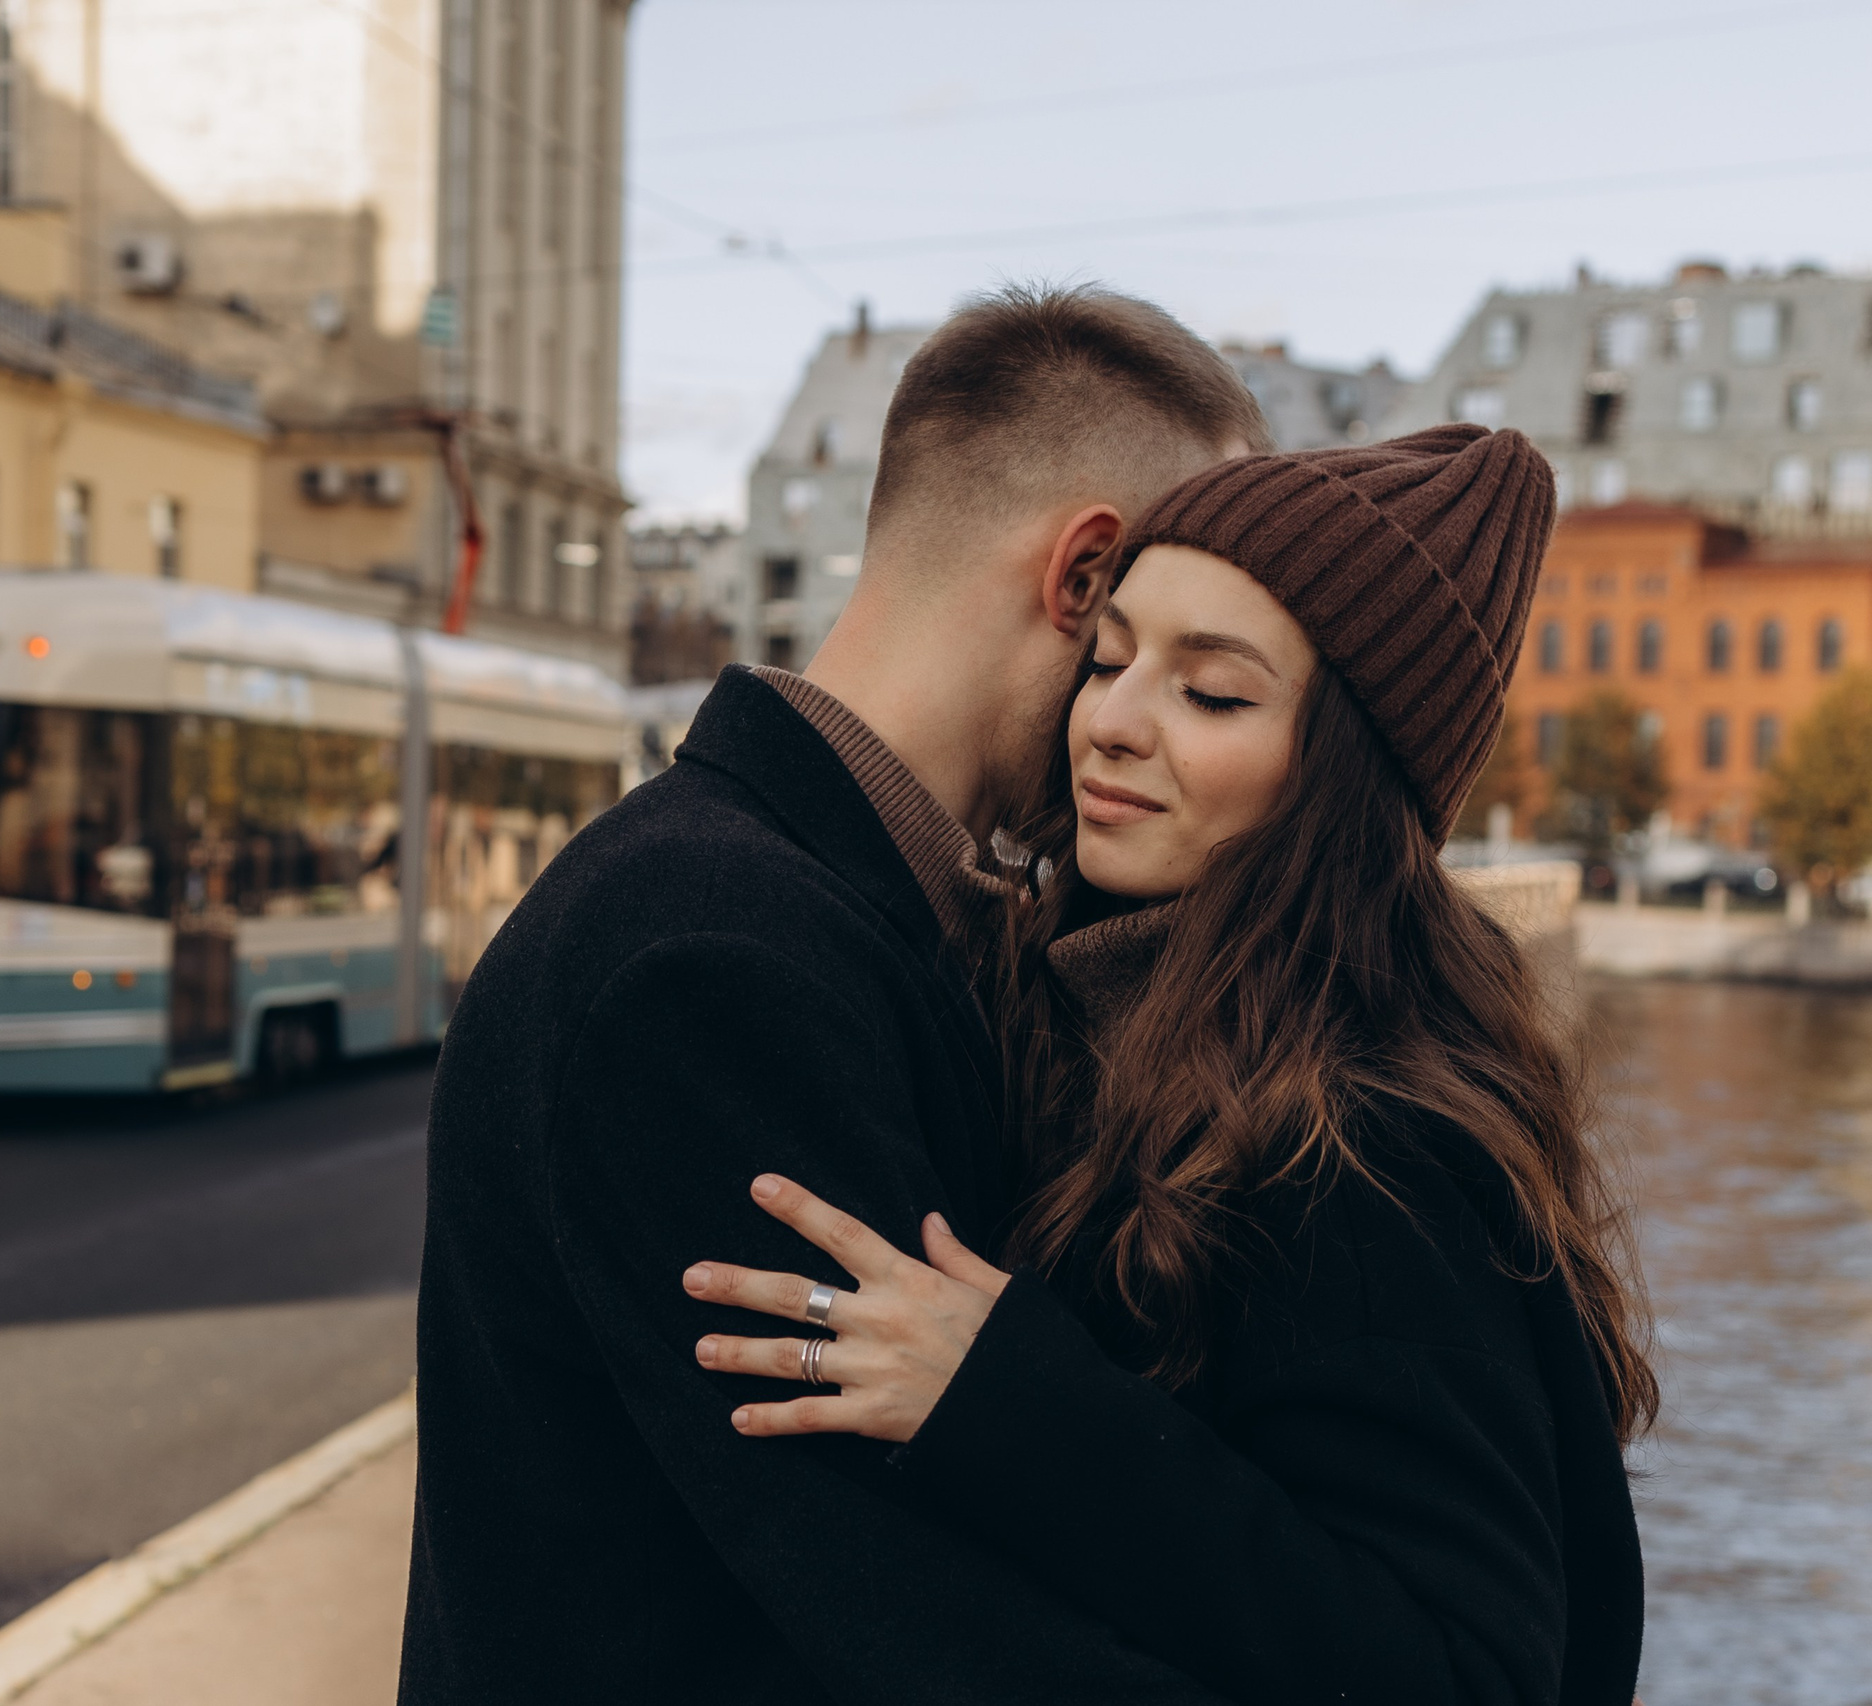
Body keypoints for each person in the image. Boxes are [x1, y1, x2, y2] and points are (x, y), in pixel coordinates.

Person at [681, 425, 1652, 1706]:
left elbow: (1469, 1670)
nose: (1112, 723)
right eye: (1110, 656)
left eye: (1213, 693)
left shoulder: (1362, 1143)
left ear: (1341, 782)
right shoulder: (1091, 1025)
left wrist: (1011, 1403)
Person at [401, 285, 1269, 1702]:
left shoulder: (785, 898)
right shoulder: (711, 957)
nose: (1143, 722)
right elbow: (908, 1603)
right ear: (1084, 576)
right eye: (1159, 641)